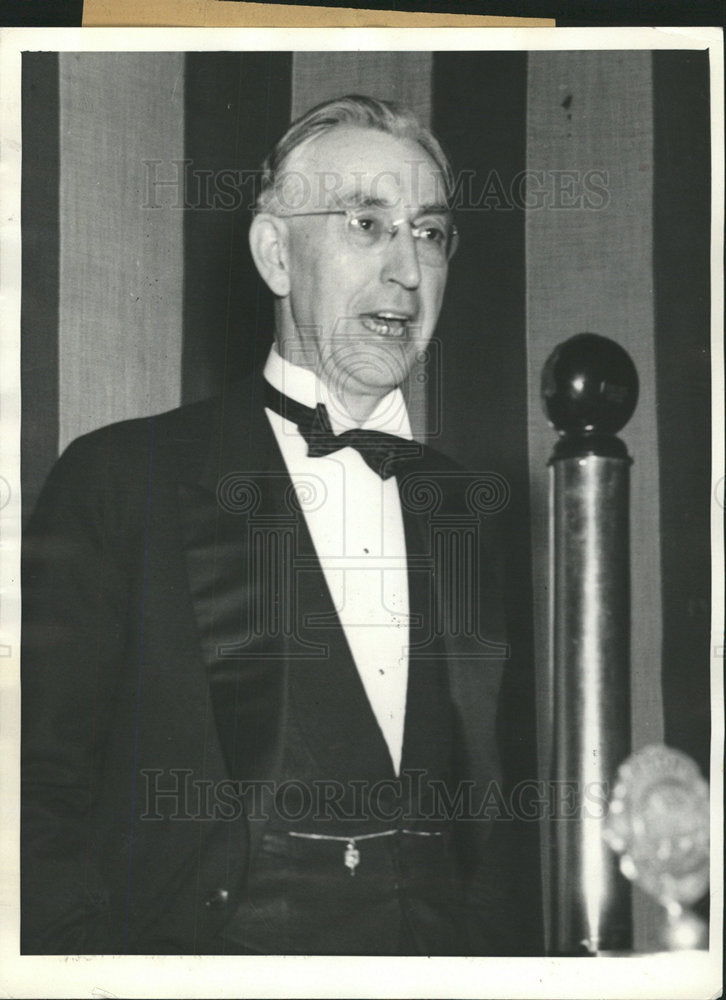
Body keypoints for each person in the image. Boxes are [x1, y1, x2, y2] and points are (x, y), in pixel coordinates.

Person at [21, 95, 523, 955]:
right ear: (274, 253)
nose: (408, 268)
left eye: (430, 233)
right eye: (367, 223)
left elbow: (499, 816)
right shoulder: (120, 482)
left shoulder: (472, 511)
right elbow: (29, 797)